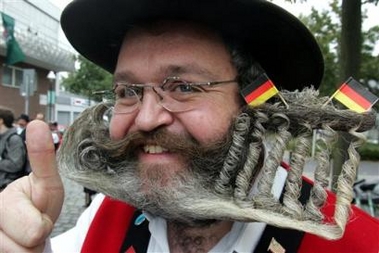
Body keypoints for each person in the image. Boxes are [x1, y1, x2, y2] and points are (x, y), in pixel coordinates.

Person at [0, 0, 378, 252]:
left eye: (184, 87)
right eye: (128, 91)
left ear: (262, 107)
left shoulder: (359, 244)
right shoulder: (104, 216)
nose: (146, 119)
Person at [0, 107, 27, 190]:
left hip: (7, 187)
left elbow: (16, 165)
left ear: (1, 120)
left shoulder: (14, 140)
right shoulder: (2, 138)